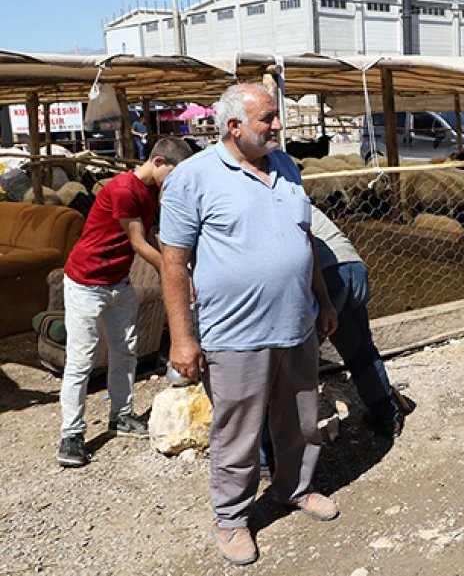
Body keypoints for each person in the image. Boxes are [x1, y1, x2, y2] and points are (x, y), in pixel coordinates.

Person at [159, 83, 340, 566]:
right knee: (237, 432)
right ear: (234, 126)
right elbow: (173, 265)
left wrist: (323, 301)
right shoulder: (192, 178)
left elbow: (306, 245)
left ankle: (295, 488)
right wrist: (182, 338)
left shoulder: (286, 167)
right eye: (268, 119)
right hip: (234, 334)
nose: (278, 125)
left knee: (301, 420)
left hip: (296, 324)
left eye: (276, 116)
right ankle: (231, 517)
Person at [56, 137, 193, 468]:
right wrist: (177, 274)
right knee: (81, 359)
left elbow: (155, 236)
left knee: (125, 351)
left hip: (118, 281)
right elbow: (138, 243)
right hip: (86, 282)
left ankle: (122, 415)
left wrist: (178, 260)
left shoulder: (150, 192)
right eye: (173, 174)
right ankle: (71, 435)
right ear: (158, 162)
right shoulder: (123, 189)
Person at [258, 205, 405, 476]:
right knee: (361, 351)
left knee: (281, 370)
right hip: (352, 268)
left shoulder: (250, 203)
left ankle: (267, 456)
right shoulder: (290, 196)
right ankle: (386, 415)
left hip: (321, 278)